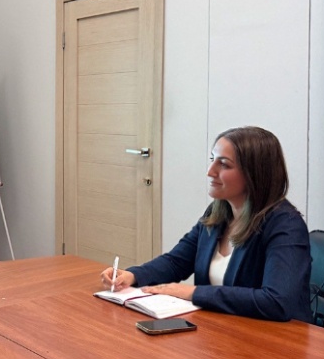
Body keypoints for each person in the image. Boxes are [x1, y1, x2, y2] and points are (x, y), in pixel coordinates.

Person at [100, 126, 312, 322]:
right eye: (212, 159)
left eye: (224, 164)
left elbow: (276, 301)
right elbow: (177, 262)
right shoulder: (217, 213)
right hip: (222, 330)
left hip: (274, 339)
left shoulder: (286, 225)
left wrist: (193, 293)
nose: (210, 171)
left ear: (255, 174)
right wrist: (132, 275)